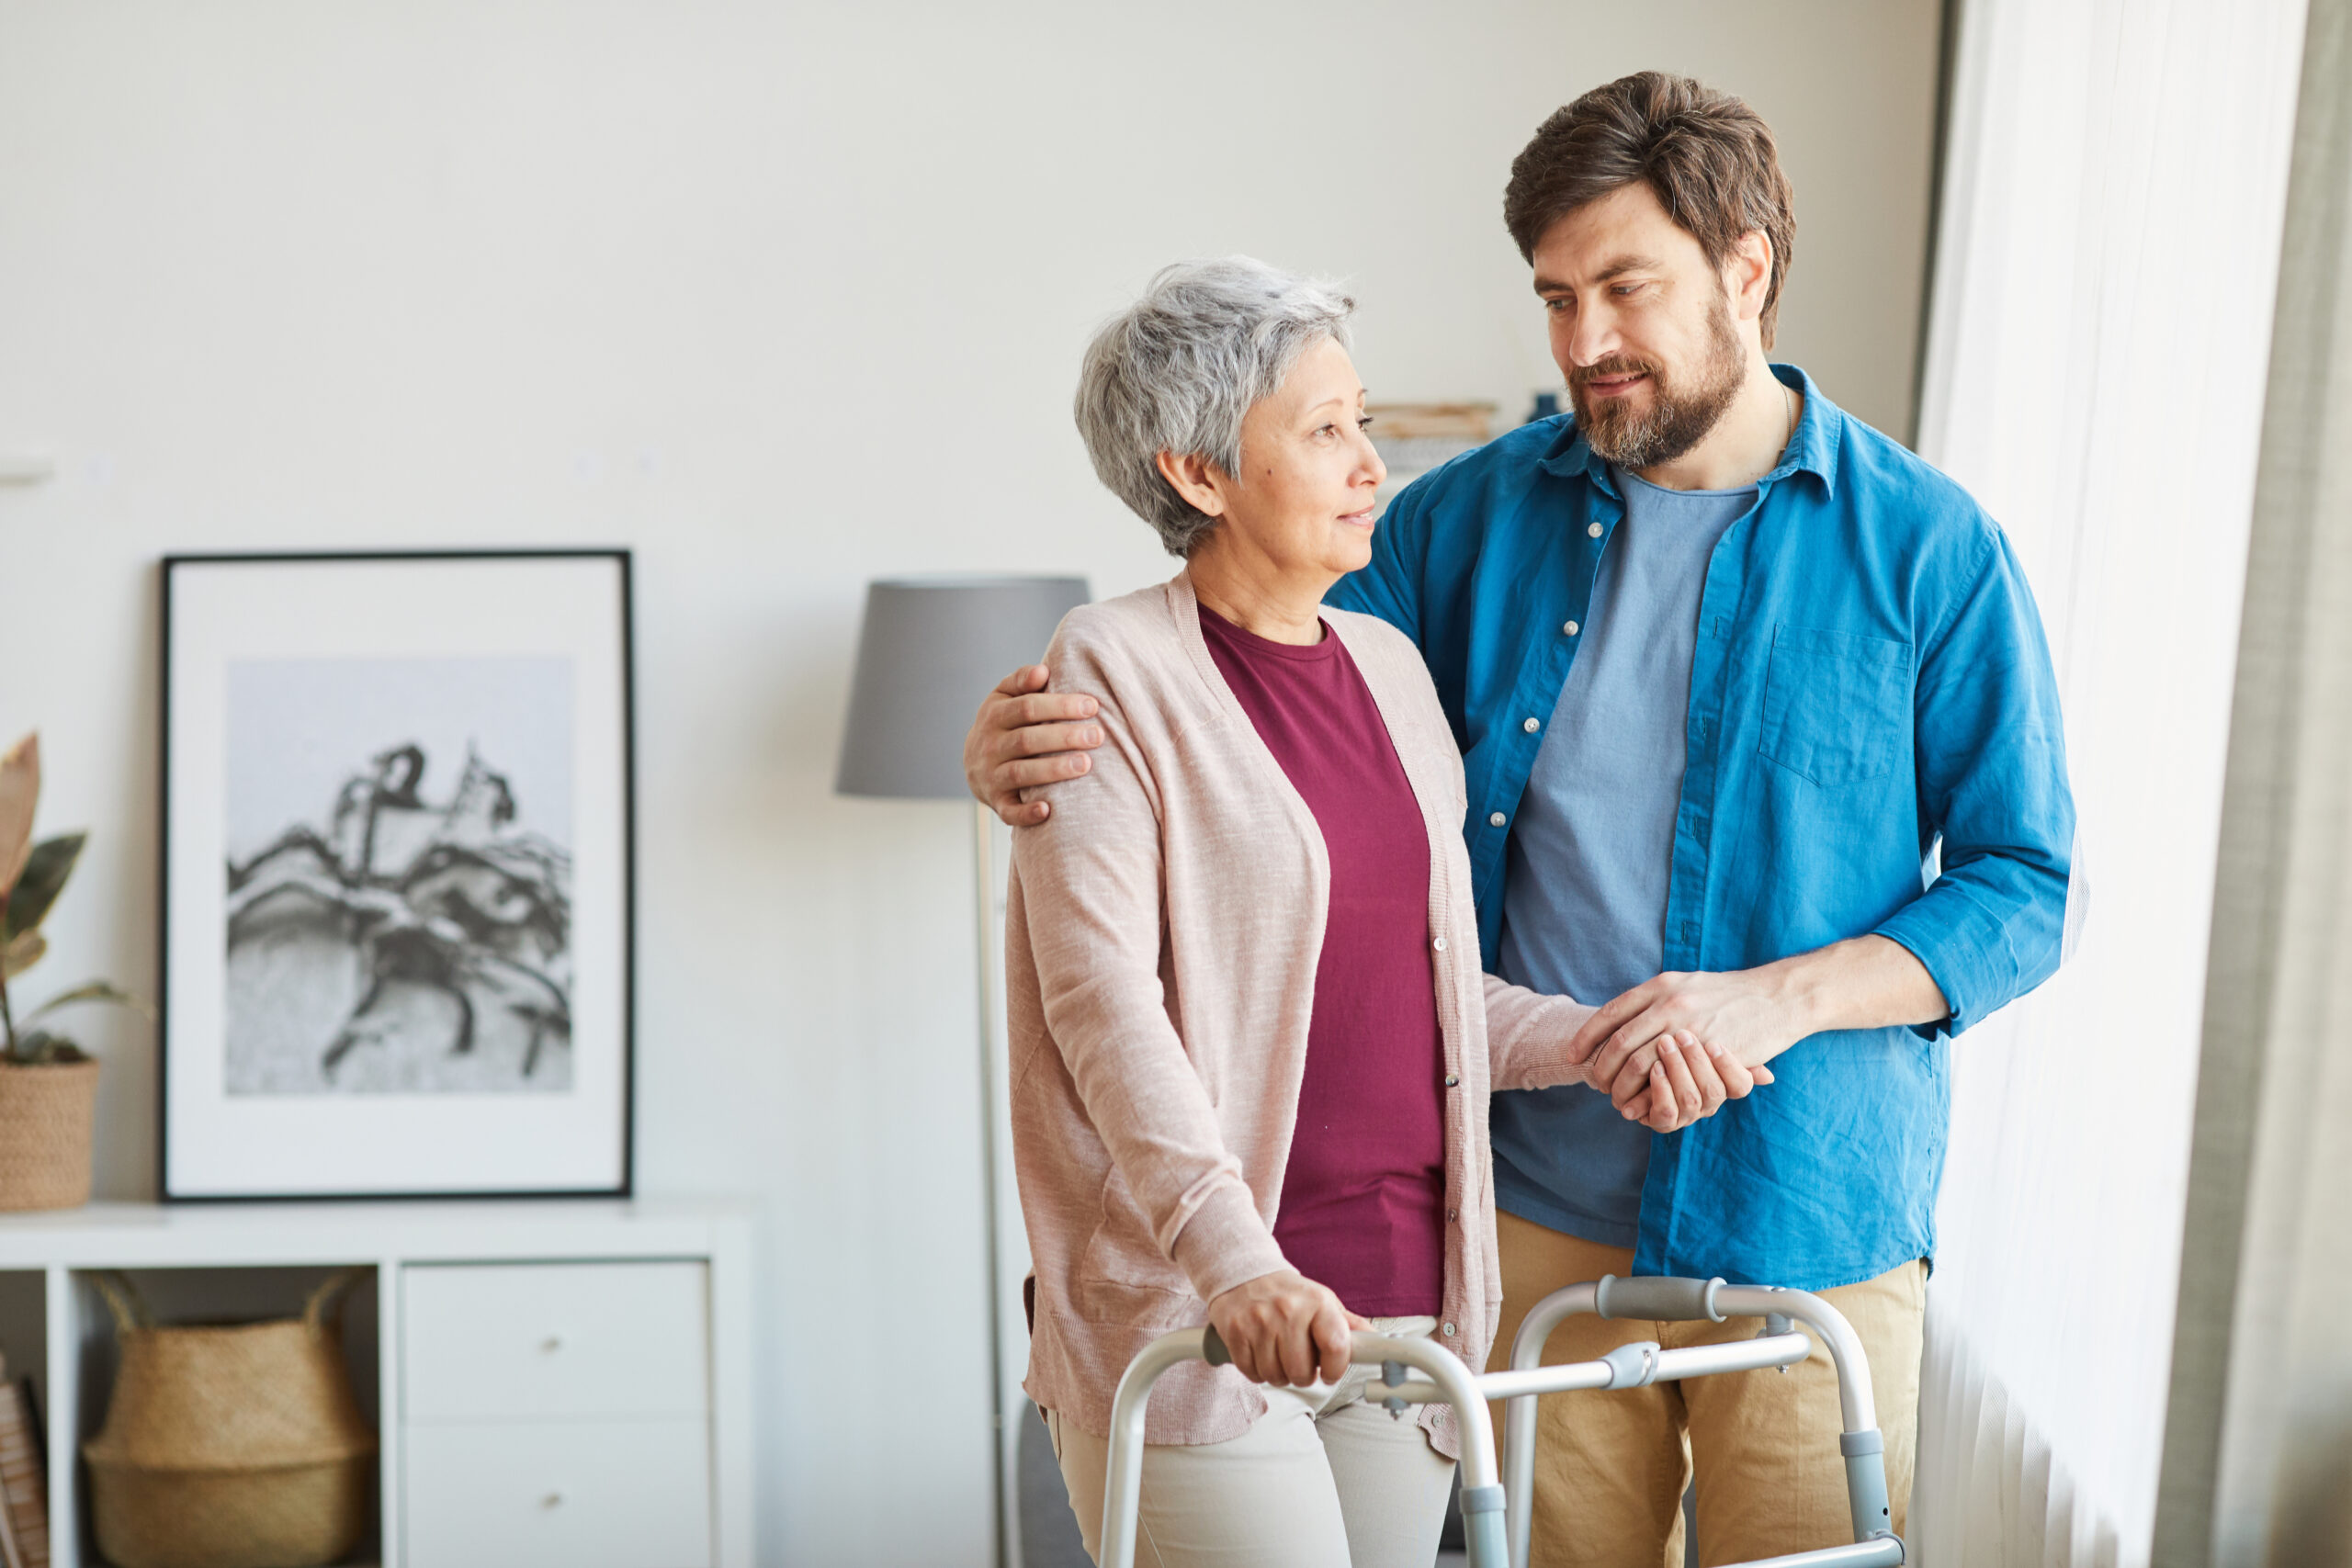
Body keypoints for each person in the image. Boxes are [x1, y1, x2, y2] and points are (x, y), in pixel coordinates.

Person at [971, 74, 2074, 1568]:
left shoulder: (1930, 549)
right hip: (1522, 1218)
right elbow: (1237, 694)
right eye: (1556, 297)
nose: (1582, 344)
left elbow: (2022, 887)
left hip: (1812, 1207)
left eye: (1625, 287)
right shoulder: (1454, 524)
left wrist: (1773, 1003)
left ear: (1745, 269)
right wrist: (1024, 753)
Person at [1008, 255, 1770, 1568]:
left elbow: (1424, 991)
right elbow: (1105, 1006)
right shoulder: (1109, 669)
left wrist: (1600, 1041)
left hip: (1408, 1303)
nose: (1370, 462)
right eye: (1323, 431)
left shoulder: (1389, 669)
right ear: (1198, 472)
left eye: (1363, 421)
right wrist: (1233, 1265)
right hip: (1208, 1310)